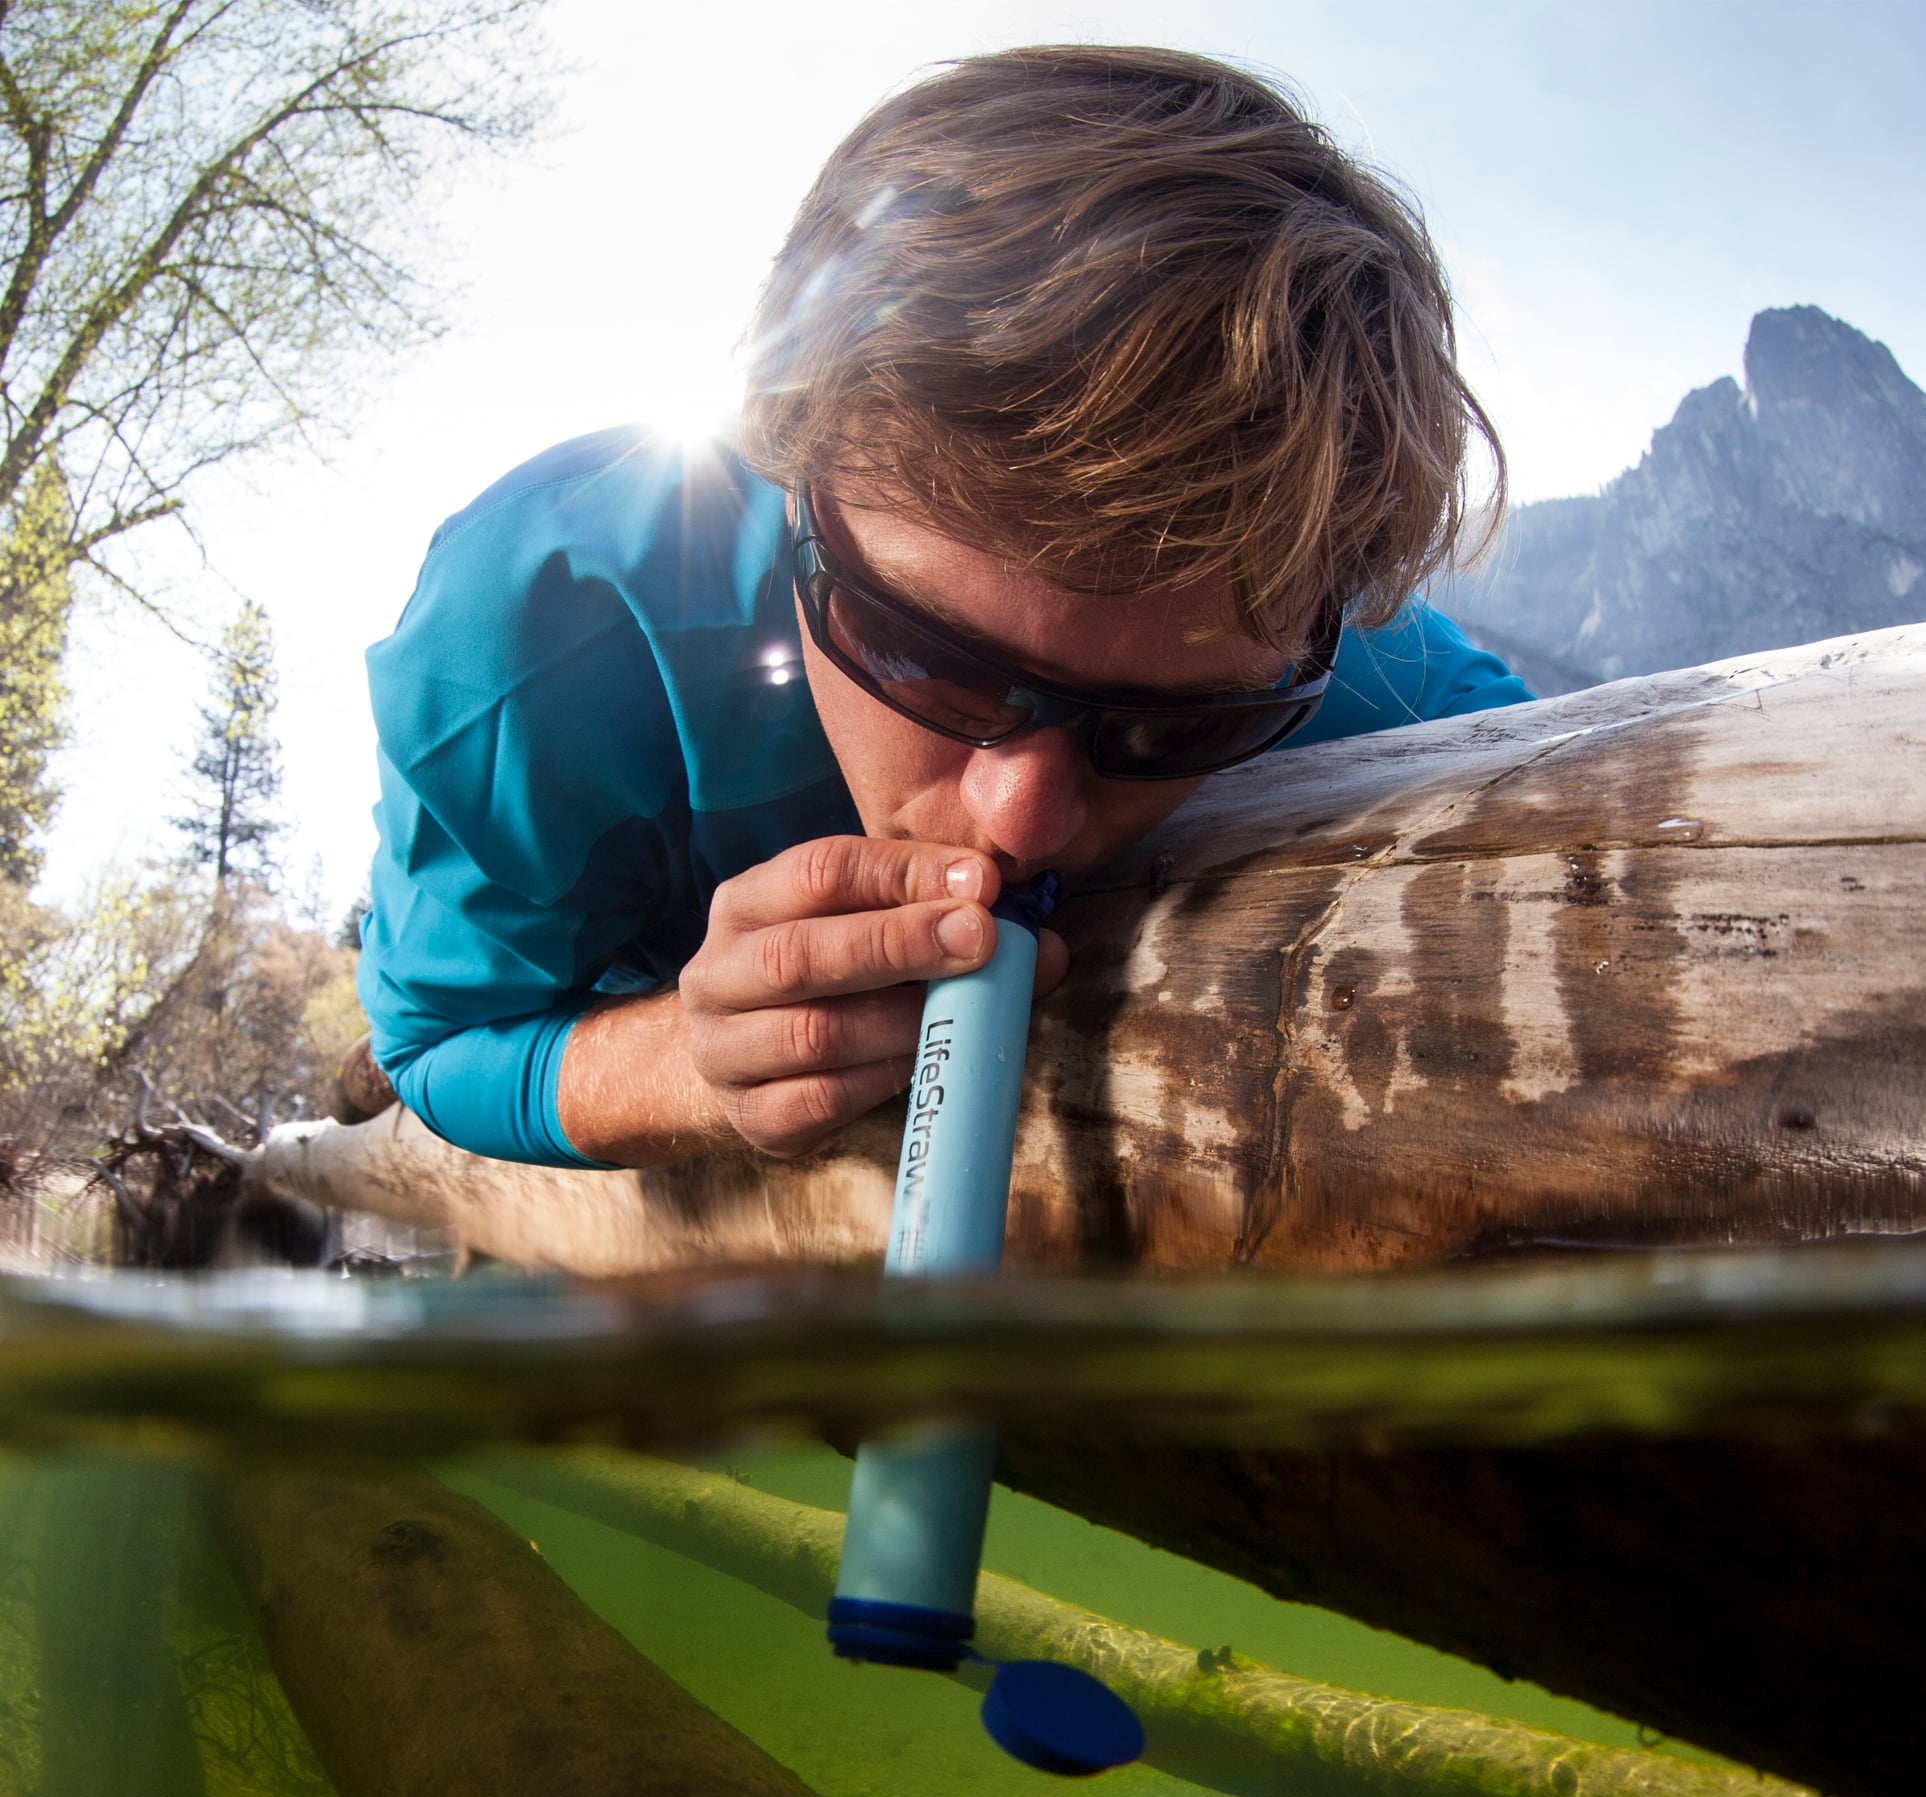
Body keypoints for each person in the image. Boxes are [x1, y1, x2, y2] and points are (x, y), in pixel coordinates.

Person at [355, 44, 1530, 1170]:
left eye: (1174, 731)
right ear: (785, 459)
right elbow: (438, 1042)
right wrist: (686, 1065)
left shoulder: (1329, 659)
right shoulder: (538, 632)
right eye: (925, 658)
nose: (1019, 818)